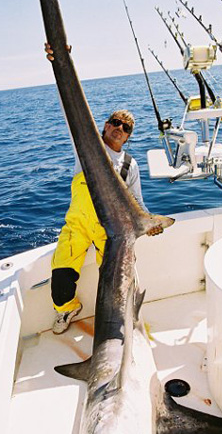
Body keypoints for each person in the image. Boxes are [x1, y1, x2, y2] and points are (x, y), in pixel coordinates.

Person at [50, 108, 163, 334]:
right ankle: (67, 309)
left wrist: (149, 222)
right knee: (61, 276)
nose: (120, 128)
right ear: (106, 125)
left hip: (110, 232)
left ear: (129, 136)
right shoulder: (87, 146)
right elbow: (71, 113)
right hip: (78, 226)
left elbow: (137, 200)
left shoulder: (130, 165)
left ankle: (128, 321)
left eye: (126, 128)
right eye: (116, 122)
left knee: (122, 284)